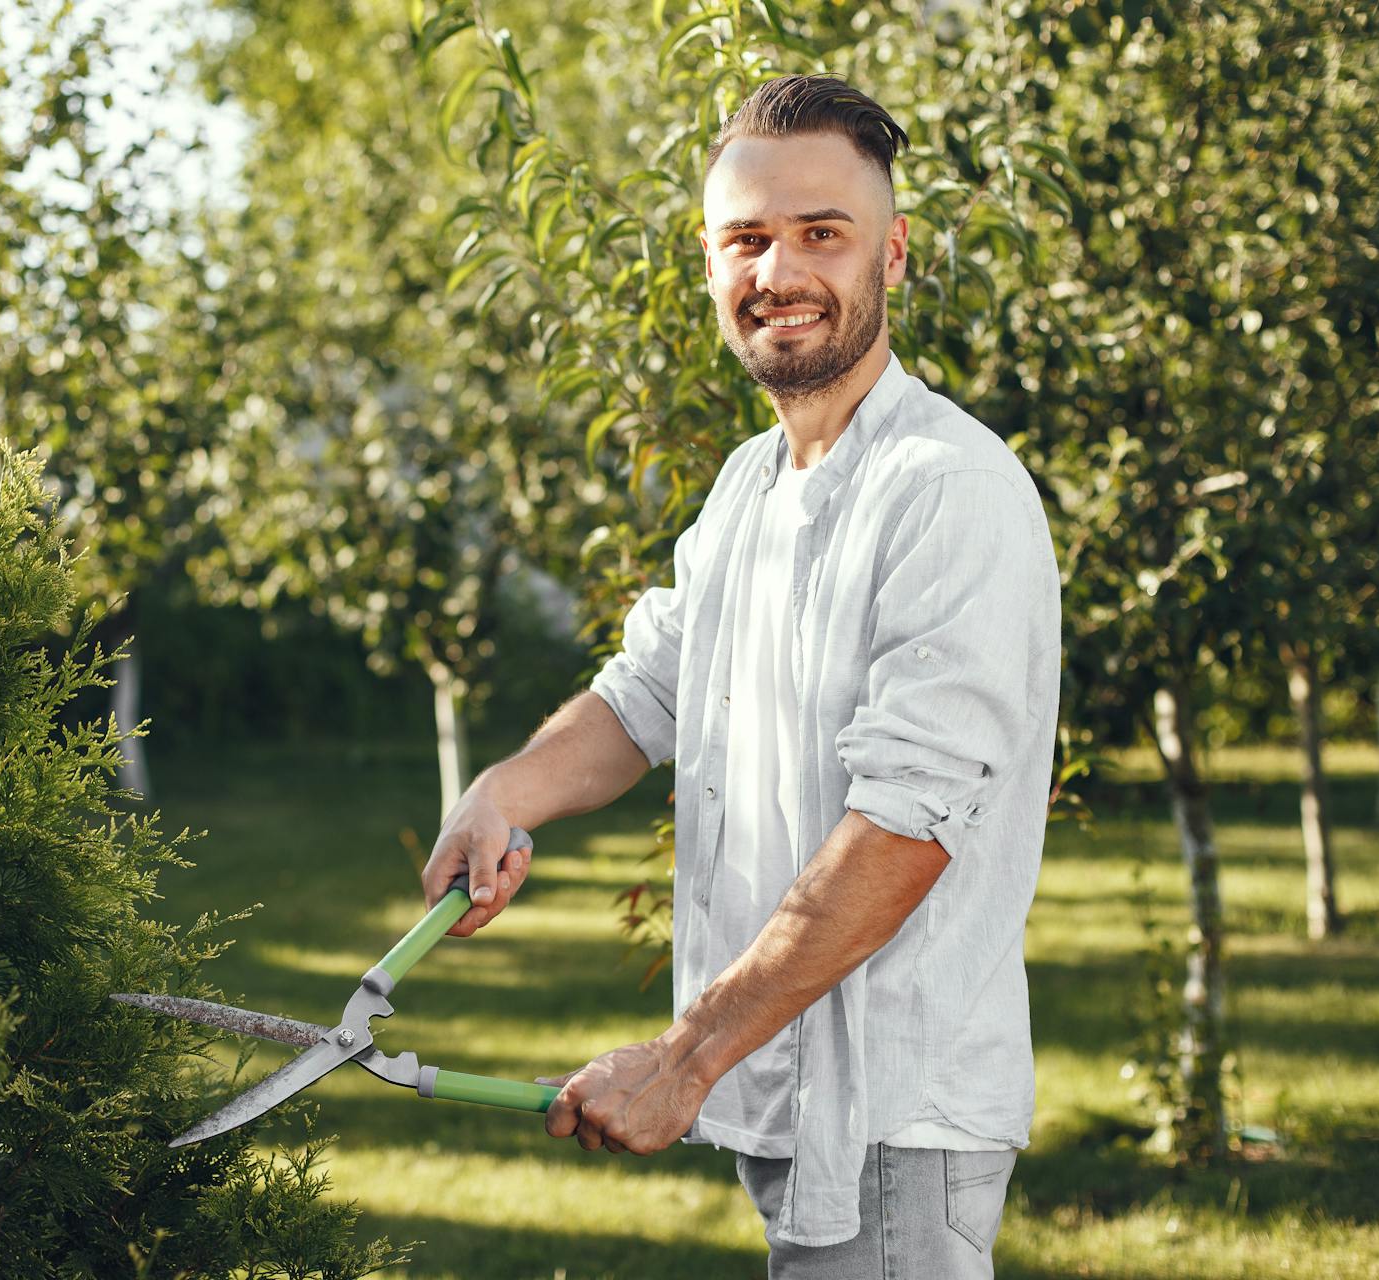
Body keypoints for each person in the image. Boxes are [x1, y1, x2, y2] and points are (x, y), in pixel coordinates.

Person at [420, 73, 1060, 1278]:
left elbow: (905, 831)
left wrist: (682, 1058)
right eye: (747, 239)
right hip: (791, 1105)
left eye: (824, 232)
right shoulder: (747, 488)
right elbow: (648, 690)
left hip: (888, 1121)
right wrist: (508, 788)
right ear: (713, 263)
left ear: (896, 253)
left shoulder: (949, 491)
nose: (782, 271)